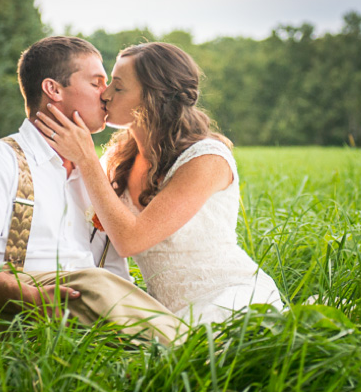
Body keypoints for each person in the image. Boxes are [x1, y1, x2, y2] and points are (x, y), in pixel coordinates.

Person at [0, 36, 186, 346]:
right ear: (53, 89)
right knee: (95, 284)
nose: (107, 95)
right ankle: (205, 355)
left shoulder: (94, 176)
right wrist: (28, 297)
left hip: (82, 321)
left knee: (103, 292)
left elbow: (114, 272)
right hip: (7, 313)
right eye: (97, 83)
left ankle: (188, 357)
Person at [35, 41, 283, 325]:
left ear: (151, 97)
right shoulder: (119, 158)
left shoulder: (206, 159)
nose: (105, 93)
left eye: (118, 85)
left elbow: (130, 240)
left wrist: (86, 159)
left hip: (229, 297)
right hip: (163, 313)